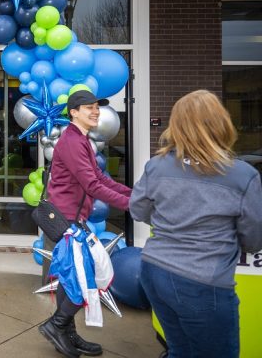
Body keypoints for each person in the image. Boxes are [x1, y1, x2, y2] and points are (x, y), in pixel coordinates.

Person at [130, 90, 262, 358]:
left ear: (176, 125)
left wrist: (173, 221)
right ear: (221, 122)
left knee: (179, 349)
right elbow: (253, 239)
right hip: (203, 283)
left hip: (154, 271)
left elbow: (137, 209)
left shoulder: (157, 166)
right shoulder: (242, 175)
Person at [40, 90, 132, 358]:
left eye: (97, 107)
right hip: (67, 219)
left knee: (75, 279)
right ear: (73, 112)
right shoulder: (71, 141)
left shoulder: (80, 140)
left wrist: (132, 194)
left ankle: (66, 331)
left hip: (74, 218)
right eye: (89, 107)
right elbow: (91, 184)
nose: (95, 111)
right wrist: (130, 204)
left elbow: (100, 179)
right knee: (81, 279)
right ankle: (56, 326)